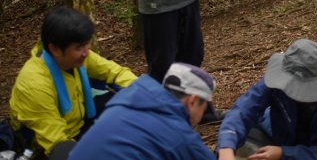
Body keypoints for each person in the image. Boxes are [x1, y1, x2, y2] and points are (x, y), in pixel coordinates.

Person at [9, 7, 137, 159]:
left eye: (87, 44)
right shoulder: (34, 84)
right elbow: (56, 142)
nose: (86, 52)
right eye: (79, 47)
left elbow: (116, 73)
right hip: (46, 147)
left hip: (80, 123)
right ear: (55, 49)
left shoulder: (80, 56)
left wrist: (147, 94)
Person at [217, 39, 317, 160]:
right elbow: (245, 109)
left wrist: (284, 153)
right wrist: (226, 147)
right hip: (288, 136)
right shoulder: (277, 81)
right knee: (244, 134)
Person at [68, 63, 217, 160]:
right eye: (204, 107)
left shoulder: (125, 103)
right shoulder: (178, 136)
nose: (203, 114)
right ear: (192, 101)